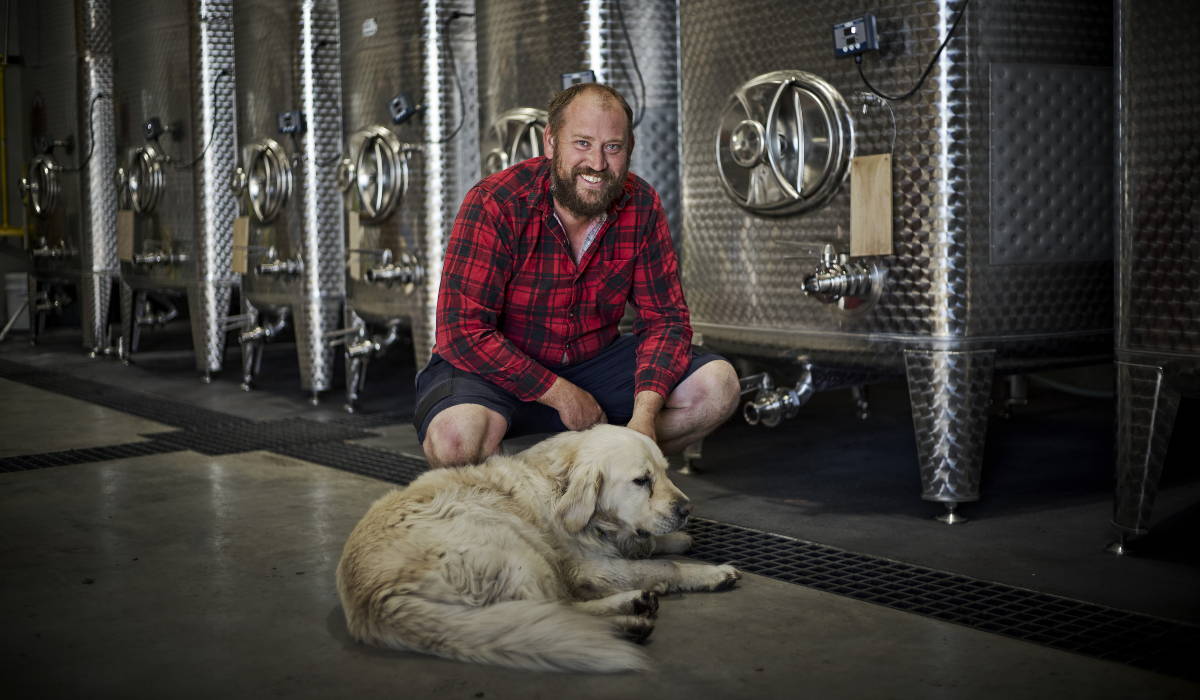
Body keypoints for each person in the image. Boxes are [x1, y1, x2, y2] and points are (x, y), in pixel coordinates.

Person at [415, 82, 740, 469]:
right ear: (550, 142)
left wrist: (644, 414)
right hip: (498, 367)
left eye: (613, 147)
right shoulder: (495, 203)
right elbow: (462, 331)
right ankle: (534, 500)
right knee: (455, 440)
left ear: (630, 147)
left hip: (593, 362)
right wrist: (562, 394)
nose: (598, 164)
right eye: (582, 143)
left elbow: (666, 321)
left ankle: (597, 484)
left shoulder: (642, 204)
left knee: (717, 387)